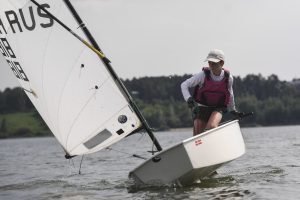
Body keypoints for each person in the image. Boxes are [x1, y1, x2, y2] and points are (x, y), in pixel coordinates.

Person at [181, 49, 242, 136]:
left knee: (212, 126)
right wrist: (188, 99)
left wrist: (233, 109)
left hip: (218, 108)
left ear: (221, 63)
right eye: (209, 63)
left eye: (214, 63)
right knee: (197, 134)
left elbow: (230, 94)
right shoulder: (202, 75)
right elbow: (184, 85)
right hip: (202, 107)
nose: (211, 65)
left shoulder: (229, 78)